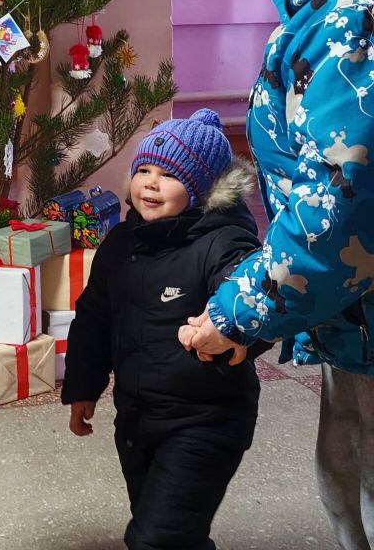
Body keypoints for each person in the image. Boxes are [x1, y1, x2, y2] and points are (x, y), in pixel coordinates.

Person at [178, 0, 374, 549]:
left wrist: (238, 313)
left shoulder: (356, 20)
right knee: (346, 463)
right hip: (351, 312)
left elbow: (338, 204)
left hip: (355, 295)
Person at [62, 109, 265, 550]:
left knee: (157, 540)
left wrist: (232, 327)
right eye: (144, 171)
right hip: (137, 417)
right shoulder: (120, 244)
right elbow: (94, 319)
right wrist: (83, 386)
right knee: (166, 529)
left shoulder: (224, 242)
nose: (150, 183)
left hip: (206, 420)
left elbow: (259, 294)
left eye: (169, 175)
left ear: (201, 190)